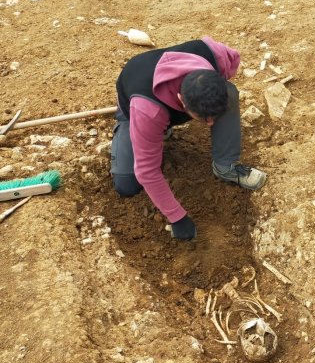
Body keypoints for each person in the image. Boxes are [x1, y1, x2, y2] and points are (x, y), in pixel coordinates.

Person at [110, 37, 266, 240]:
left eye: (213, 118)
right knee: (126, 184)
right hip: (137, 108)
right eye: (204, 118)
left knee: (229, 93)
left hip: (170, 101)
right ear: (181, 100)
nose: (210, 124)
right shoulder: (148, 112)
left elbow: (233, 61)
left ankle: (225, 166)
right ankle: (132, 127)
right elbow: (147, 172)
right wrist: (177, 218)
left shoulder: (212, 54)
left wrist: (219, 95)